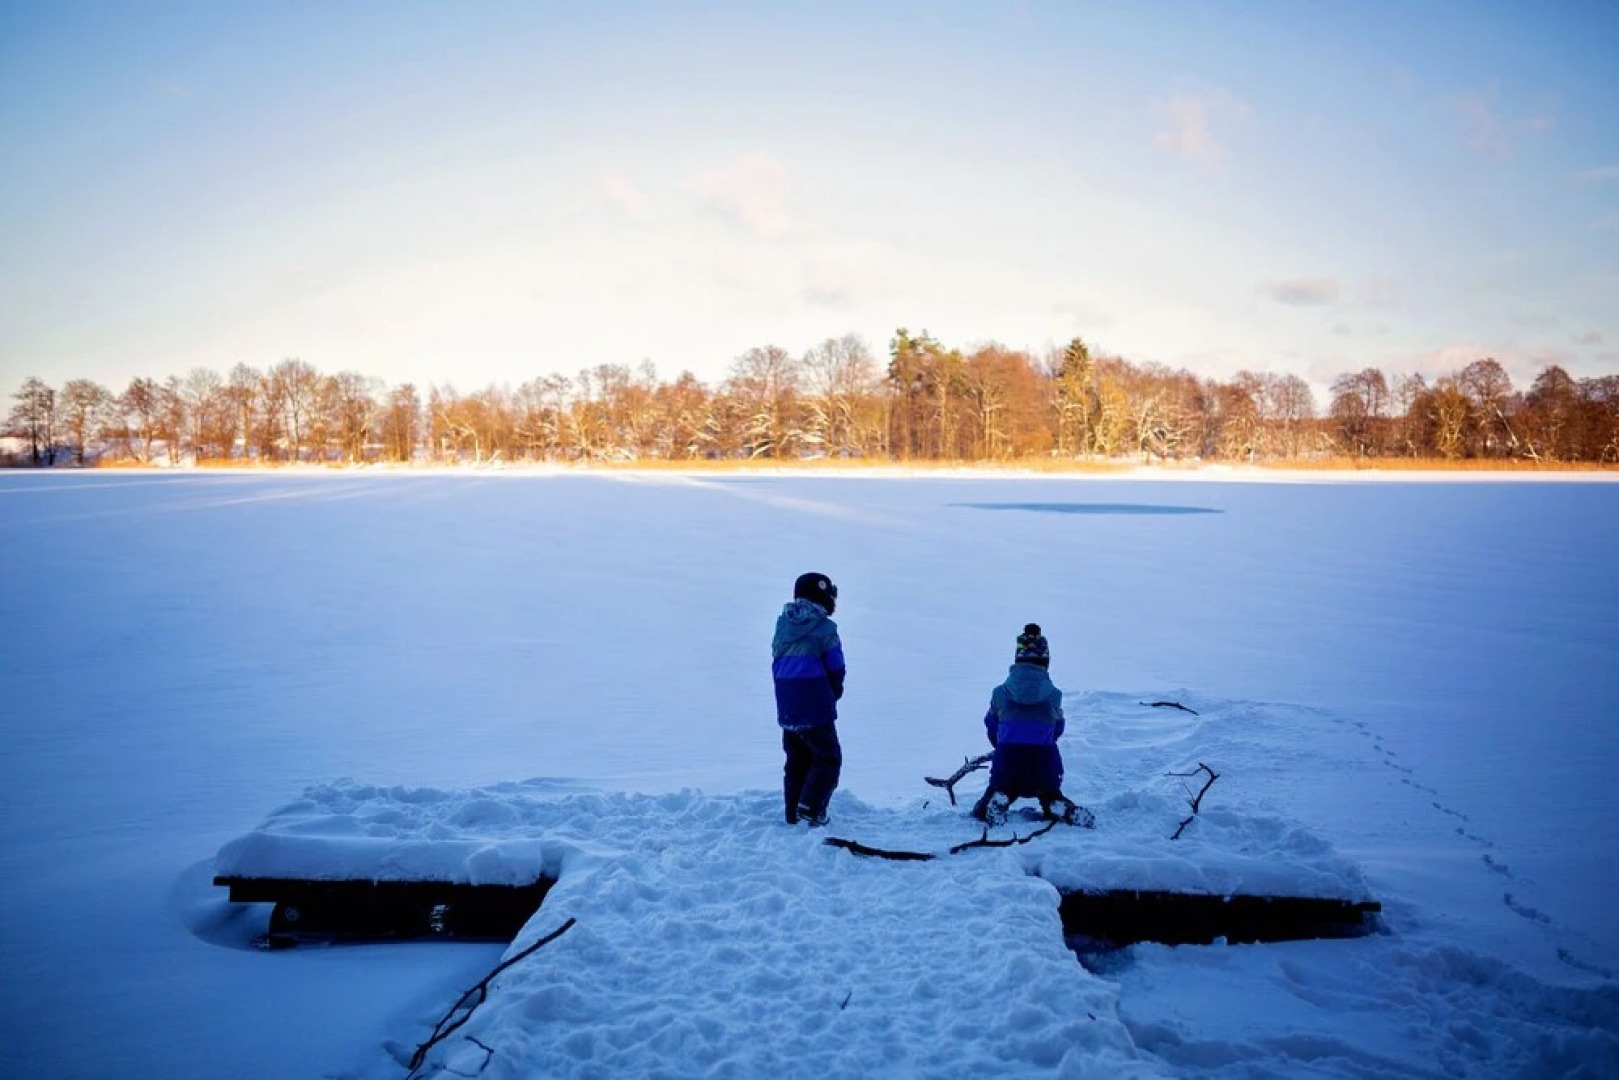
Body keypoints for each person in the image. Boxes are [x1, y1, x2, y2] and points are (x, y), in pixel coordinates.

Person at [970, 623, 1080, 827]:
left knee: (995, 795)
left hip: (1008, 759)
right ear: (1046, 661)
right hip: (1044, 760)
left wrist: (1001, 744)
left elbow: (991, 724)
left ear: (1017, 659)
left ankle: (996, 803)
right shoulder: (1054, 696)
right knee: (1049, 793)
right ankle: (1057, 805)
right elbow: (1058, 729)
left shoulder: (1000, 693)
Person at [772, 572, 845, 827]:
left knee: (796, 759)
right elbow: (836, 666)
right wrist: (833, 692)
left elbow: (777, 662)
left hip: (787, 705)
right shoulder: (826, 629)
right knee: (828, 758)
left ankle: (793, 811)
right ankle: (811, 809)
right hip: (815, 705)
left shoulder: (782, 625)